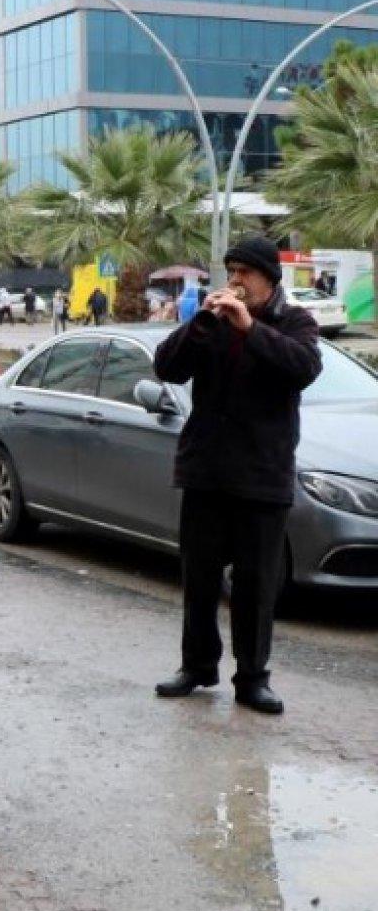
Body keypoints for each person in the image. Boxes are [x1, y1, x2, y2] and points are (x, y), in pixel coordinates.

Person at [153, 235, 321, 716]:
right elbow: (166, 367)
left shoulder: (295, 322)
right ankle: (197, 666)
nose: (236, 281)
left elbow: (304, 368)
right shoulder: (214, 322)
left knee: (255, 586)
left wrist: (251, 329)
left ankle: (253, 678)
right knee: (199, 579)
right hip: (206, 471)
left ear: (269, 278)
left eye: (245, 272)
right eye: (231, 271)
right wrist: (200, 323)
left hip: (262, 476)